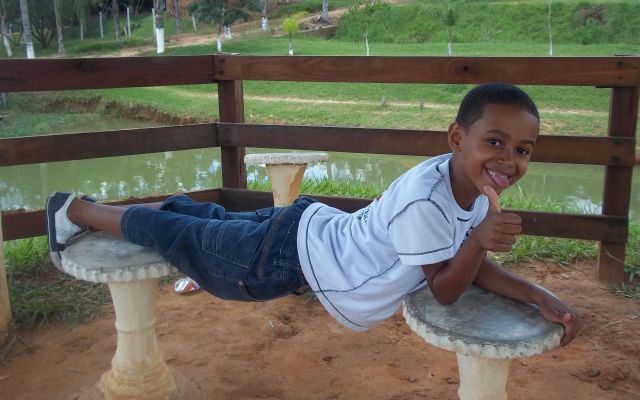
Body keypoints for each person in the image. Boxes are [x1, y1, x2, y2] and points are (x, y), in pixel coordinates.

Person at [46, 83, 582, 346]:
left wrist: (536, 294)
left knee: (202, 222)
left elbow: (466, 261)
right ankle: (77, 210)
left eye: (523, 150)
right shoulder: (428, 198)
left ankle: (124, 209)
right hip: (289, 258)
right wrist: (480, 240)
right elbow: (446, 287)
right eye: (495, 142)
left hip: (306, 228)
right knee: (181, 236)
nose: (509, 160)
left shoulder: (472, 188)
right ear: (457, 137)